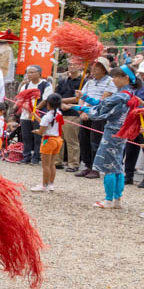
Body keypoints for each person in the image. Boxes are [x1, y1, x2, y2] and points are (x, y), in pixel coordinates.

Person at [70, 66, 138, 208]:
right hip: (121, 132)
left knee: (109, 166)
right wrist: (84, 97)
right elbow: (103, 104)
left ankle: (108, 199)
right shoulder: (130, 94)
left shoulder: (121, 96)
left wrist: (76, 106)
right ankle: (117, 199)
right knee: (118, 165)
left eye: (116, 77)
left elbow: (99, 110)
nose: (113, 80)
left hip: (113, 132)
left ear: (126, 78)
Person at [71, 57, 115, 179]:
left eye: (97, 66)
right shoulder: (89, 82)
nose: (93, 68)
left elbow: (103, 99)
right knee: (83, 140)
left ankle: (96, 168)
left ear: (104, 69)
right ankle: (87, 165)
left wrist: (87, 109)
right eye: (93, 66)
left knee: (95, 141)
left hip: (100, 116)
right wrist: (81, 111)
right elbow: (81, 97)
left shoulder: (110, 82)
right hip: (85, 114)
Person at [15, 65, 54, 165]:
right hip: (25, 114)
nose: (29, 74)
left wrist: (35, 110)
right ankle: (26, 156)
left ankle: (36, 157)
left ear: (39, 73)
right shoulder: (26, 86)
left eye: (32, 72)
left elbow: (45, 99)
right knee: (26, 136)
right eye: (28, 72)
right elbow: (21, 98)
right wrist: (27, 109)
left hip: (39, 114)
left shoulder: (46, 85)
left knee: (38, 136)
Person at [29, 93, 63, 192]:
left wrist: (36, 131)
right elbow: (47, 124)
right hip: (57, 139)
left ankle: (44, 185)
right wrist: (36, 117)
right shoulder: (59, 113)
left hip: (48, 140)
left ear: (48, 104)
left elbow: (41, 131)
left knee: (45, 165)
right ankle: (51, 184)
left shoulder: (48, 116)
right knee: (52, 164)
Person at [54, 65, 82, 172]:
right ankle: (57, 161)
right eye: (69, 64)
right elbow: (56, 95)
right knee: (58, 138)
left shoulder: (83, 81)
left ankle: (73, 163)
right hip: (60, 112)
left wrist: (62, 101)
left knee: (71, 140)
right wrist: (60, 103)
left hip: (73, 113)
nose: (71, 66)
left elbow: (80, 98)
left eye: (74, 64)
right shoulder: (63, 81)